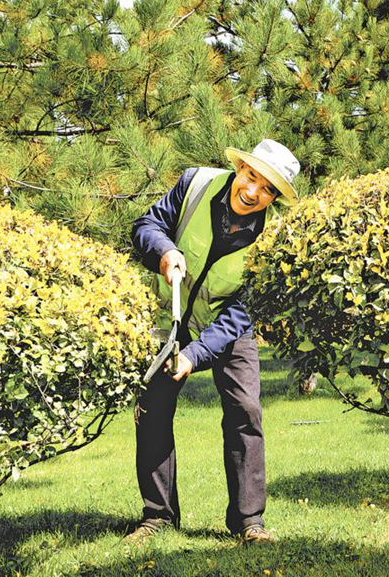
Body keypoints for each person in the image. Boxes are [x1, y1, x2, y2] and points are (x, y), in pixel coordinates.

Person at [126, 139, 301, 544]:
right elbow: (145, 226)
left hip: (229, 323)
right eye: (251, 176)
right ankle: (158, 516)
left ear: (274, 197)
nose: (253, 191)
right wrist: (165, 251)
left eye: (267, 188)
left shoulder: (274, 238)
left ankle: (248, 523)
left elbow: (243, 310)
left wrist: (194, 355)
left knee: (246, 410)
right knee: (152, 409)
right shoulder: (195, 184)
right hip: (170, 315)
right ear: (240, 168)